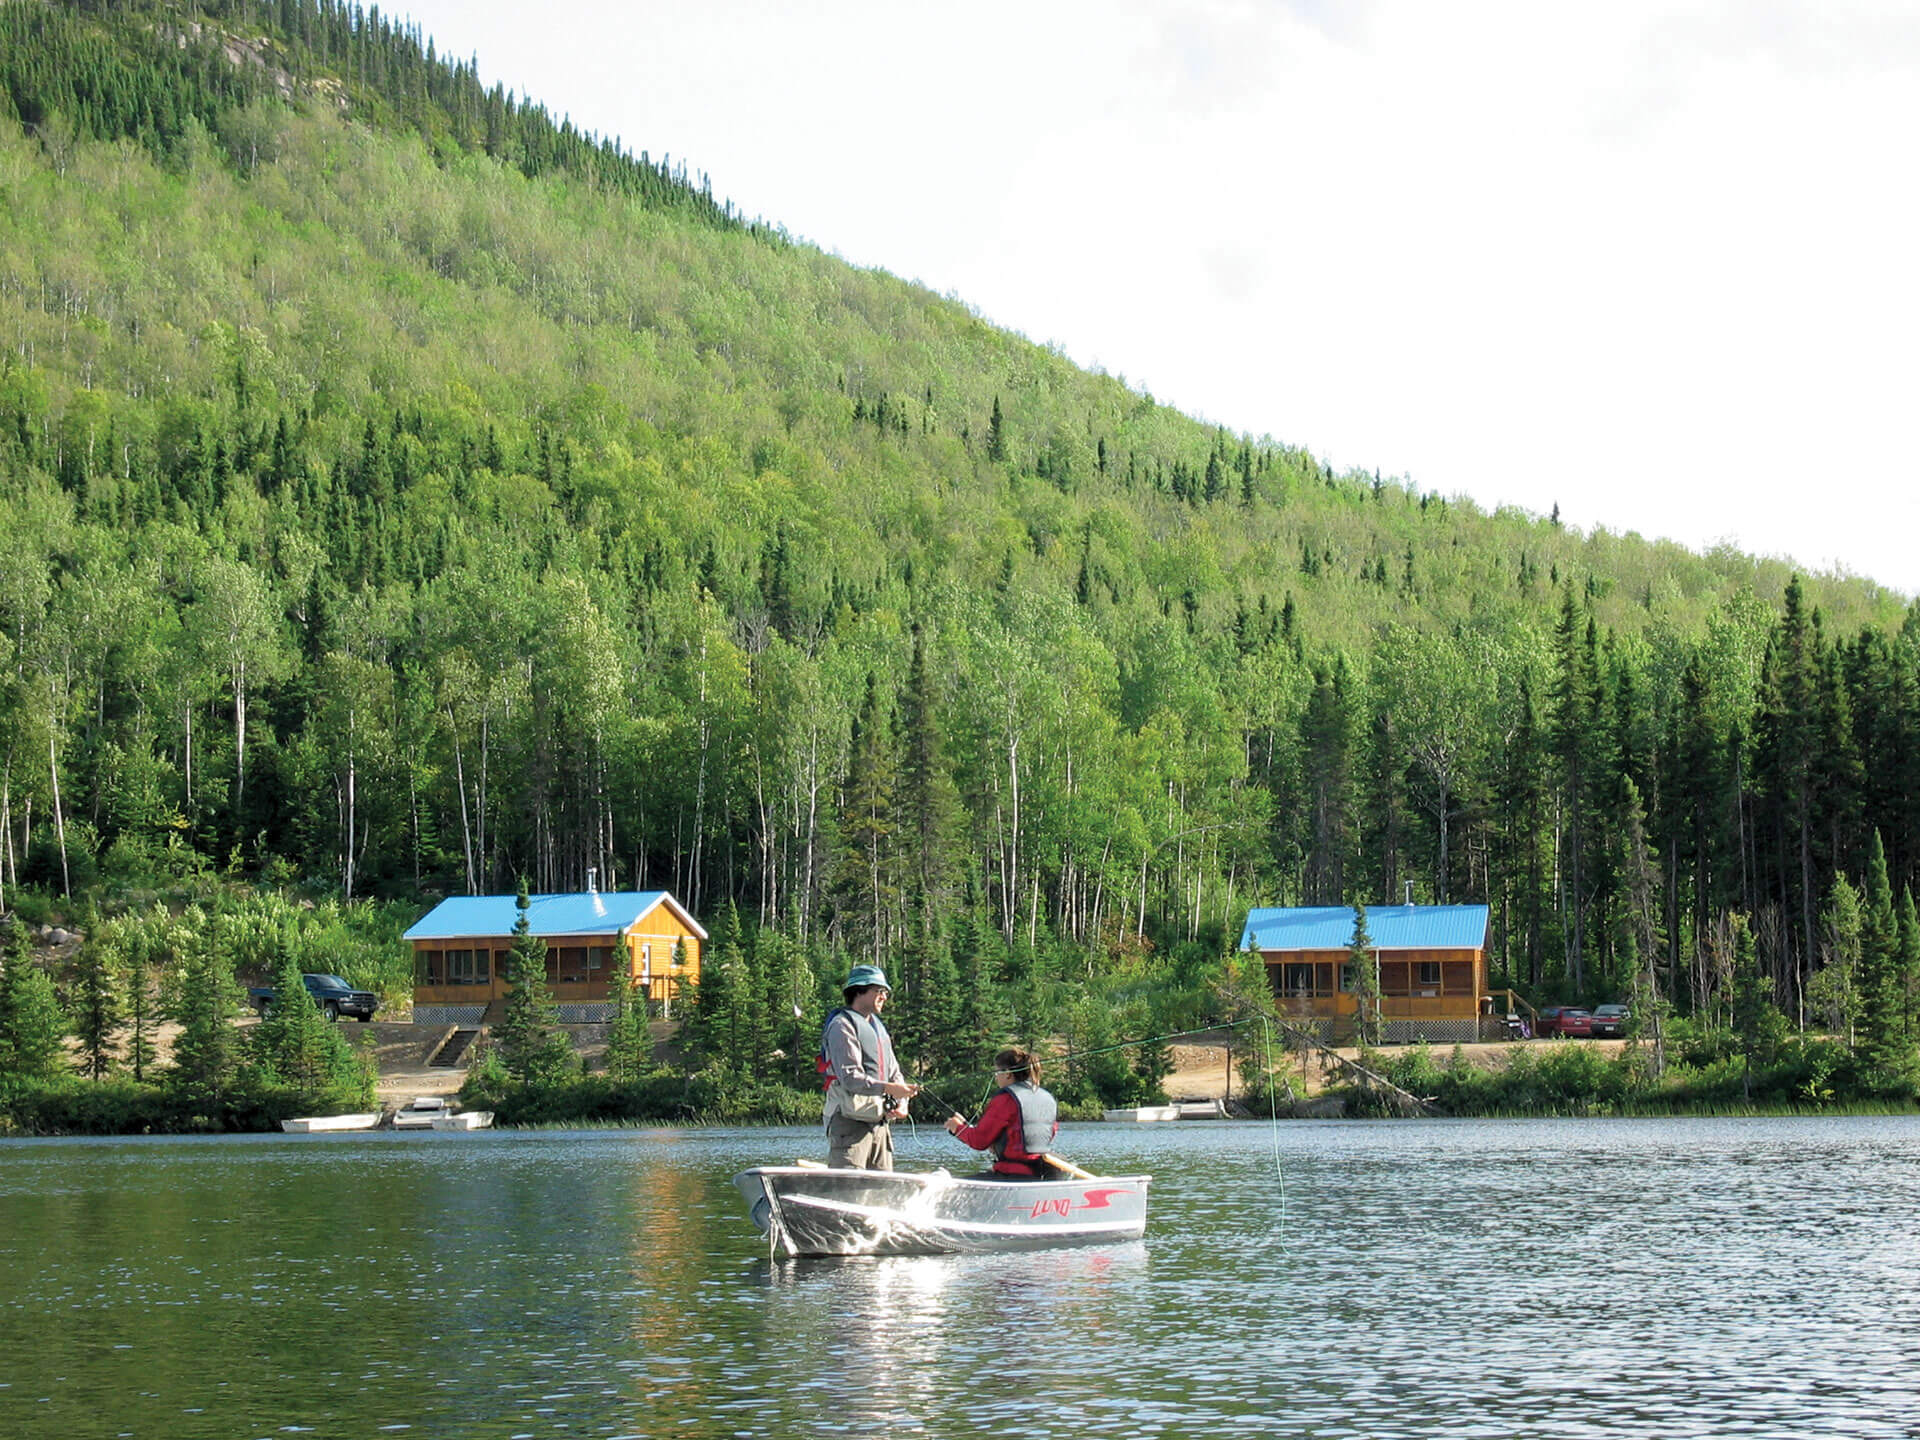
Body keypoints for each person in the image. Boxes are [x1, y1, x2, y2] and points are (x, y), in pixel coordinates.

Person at [821, 964, 916, 1170]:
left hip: (879, 1125)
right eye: (879, 991)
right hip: (849, 1123)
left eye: (886, 992)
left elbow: (894, 1072)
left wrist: (902, 1100)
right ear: (859, 991)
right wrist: (889, 1089)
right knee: (847, 1188)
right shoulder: (841, 1026)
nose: (884, 997)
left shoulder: (878, 1029)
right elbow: (850, 1078)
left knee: (883, 1190)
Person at [944, 1047, 1060, 1179]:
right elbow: (1041, 1134)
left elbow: (979, 1141)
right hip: (1039, 1174)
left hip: (1010, 1174)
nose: (996, 1077)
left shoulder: (1005, 1099)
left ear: (1007, 1073)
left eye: (996, 1072)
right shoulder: (1047, 1098)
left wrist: (956, 1127)